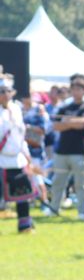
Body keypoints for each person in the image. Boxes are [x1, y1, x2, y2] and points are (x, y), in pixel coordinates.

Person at [46, 76, 84, 220]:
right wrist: (72, 123)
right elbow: (55, 125)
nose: (75, 92)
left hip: (80, 151)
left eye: (79, 89)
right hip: (62, 151)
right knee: (57, 182)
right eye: (73, 89)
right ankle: (54, 208)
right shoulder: (64, 107)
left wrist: (67, 122)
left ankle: (82, 212)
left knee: (81, 183)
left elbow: (83, 124)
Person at [0, 82, 35, 232]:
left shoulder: (16, 109)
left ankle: (25, 225)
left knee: (22, 194)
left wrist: (27, 155)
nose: (5, 94)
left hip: (16, 159)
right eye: (2, 91)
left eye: (7, 91)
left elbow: (20, 135)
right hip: (1, 159)